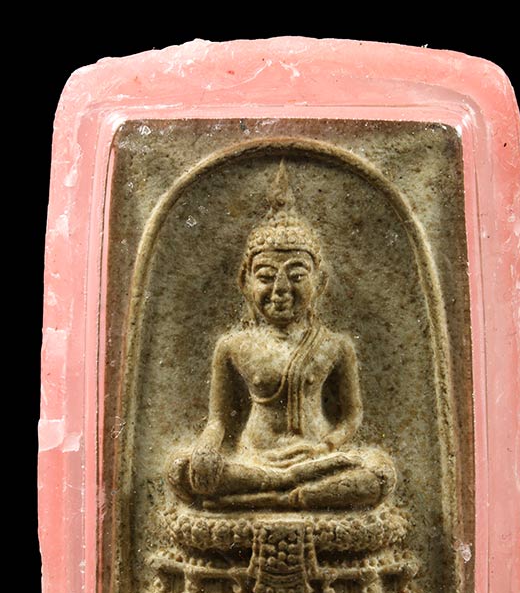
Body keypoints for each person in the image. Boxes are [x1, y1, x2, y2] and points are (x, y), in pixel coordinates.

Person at [168, 161, 395, 511]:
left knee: (379, 474)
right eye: (266, 275)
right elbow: (218, 420)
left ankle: (272, 496)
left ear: (320, 281)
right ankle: (288, 491)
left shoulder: (335, 346)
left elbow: (351, 416)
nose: (281, 289)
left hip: (316, 460)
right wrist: (207, 448)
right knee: (180, 470)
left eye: (297, 275)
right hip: (254, 461)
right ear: (245, 282)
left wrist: (324, 447)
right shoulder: (233, 346)